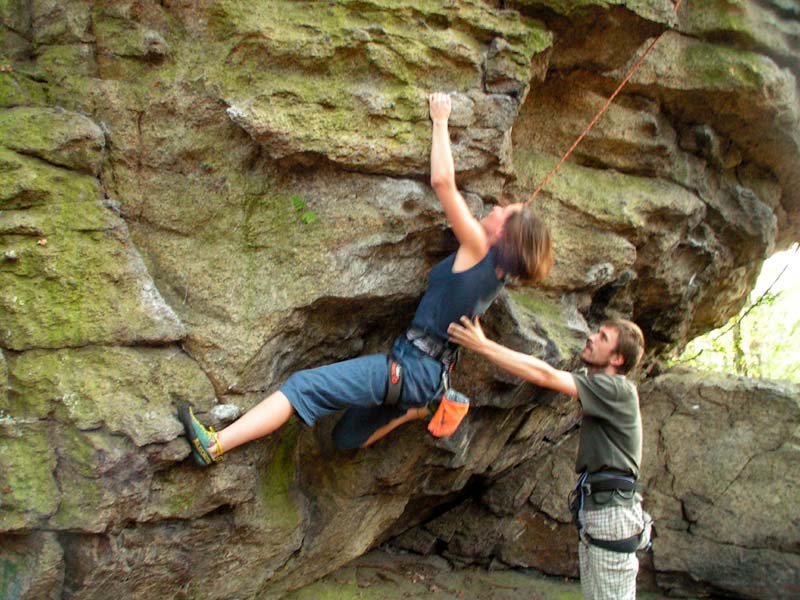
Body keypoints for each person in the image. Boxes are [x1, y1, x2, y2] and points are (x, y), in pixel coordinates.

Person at [178, 92, 553, 465]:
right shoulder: (498, 278)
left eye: (508, 212)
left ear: (505, 237)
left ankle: (214, 445)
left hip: (409, 369)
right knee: (344, 438)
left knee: (301, 387)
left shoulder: (476, 248)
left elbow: (443, 182)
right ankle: (418, 410)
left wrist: (440, 120)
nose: (499, 207)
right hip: (425, 376)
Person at [447, 315, 650, 600]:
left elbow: (545, 375)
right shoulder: (605, 389)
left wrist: (483, 346)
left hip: (612, 511)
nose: (591, 336)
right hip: (601, 508)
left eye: (603, 338)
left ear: (617, 359)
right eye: (597, 331)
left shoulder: (616, 389)